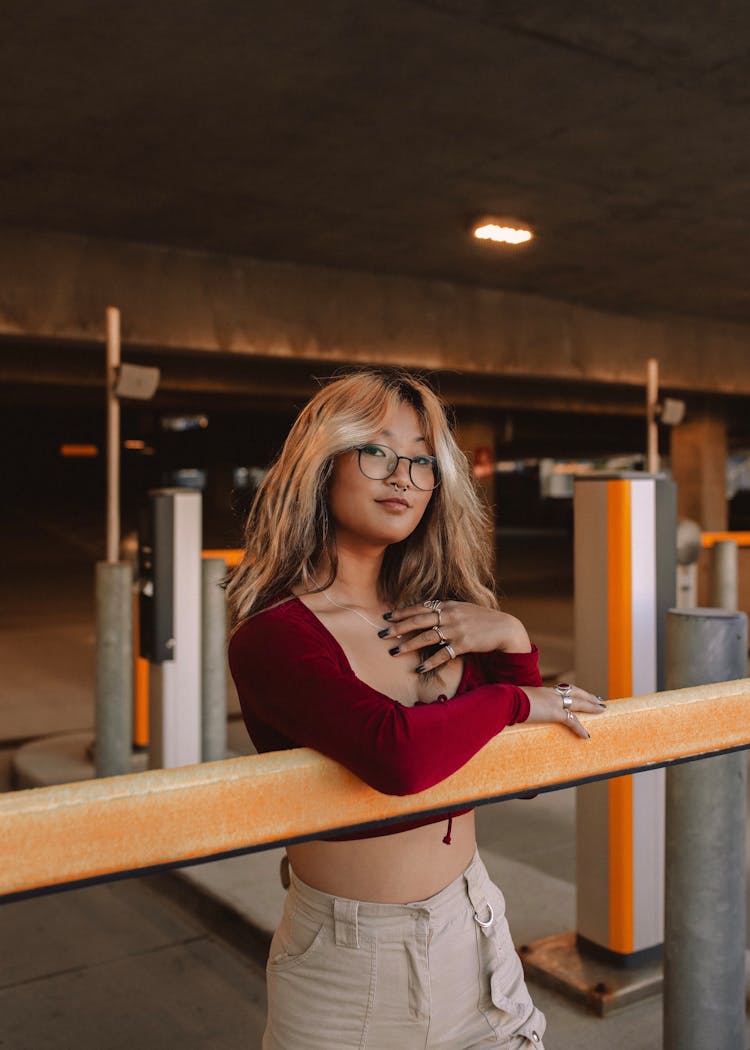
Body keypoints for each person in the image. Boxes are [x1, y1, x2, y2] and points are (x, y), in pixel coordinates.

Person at [227, 369, 605, 1050]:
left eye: (423, 460)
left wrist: (513, 639)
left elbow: (525, 779)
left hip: (477, 925)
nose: (403, 474)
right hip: (352, 966)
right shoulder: (277, 636)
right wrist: (516, 699)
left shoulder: (440, 616)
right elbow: (397, 755)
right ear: (323, 463)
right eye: (376, 450)